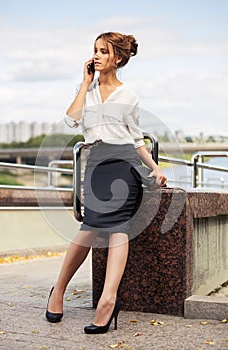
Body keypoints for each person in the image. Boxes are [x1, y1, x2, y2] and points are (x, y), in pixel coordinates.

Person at [45, 31, 167, 334]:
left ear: (118, 57)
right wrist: (85, 84)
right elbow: (72, 121)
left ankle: (108, 301)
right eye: (95, 50)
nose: (96, 55)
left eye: (103, 51)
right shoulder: (85, 89)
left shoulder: (129, 96)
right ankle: (58, 289)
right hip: (97, 165)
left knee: (119, 228)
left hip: (125, 165)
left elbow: (136, 139)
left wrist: (155, 167)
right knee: (88, 229)